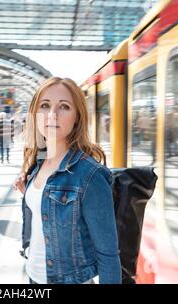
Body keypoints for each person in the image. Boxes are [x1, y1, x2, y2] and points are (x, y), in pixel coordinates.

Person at [14, 77, 121, 284]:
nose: (52, 115)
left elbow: (108, 255)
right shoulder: (38, 163)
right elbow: (47, 211)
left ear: (77, 118)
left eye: (64, 107)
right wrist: (30, 192)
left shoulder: (89, 175)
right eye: (45, 106)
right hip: (33, 277)